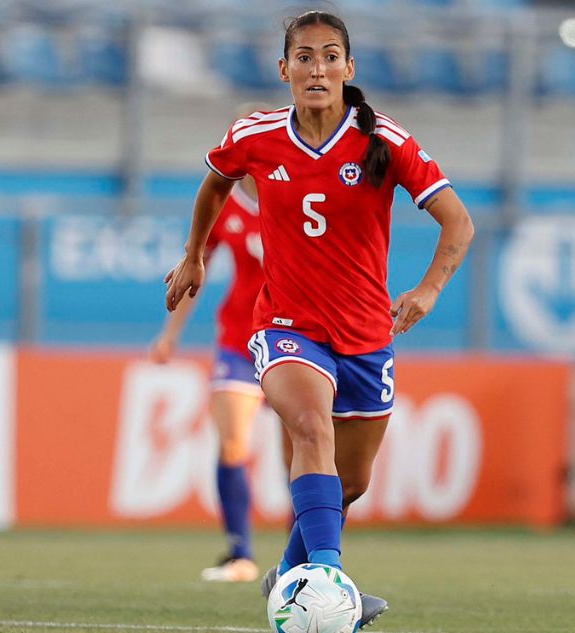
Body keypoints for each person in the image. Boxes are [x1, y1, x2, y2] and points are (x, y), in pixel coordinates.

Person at [164, 10, 475, 628]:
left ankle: (291, 575)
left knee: (349, 484)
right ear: (285, 70)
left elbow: (458, 222)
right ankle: (331, 585)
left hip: (367, 335)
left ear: (348, 68)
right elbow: (215, 184)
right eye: (304, 56)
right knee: (310, 430)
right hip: (285, 325)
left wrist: (429, 289)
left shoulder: (384, 140)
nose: (317, 68)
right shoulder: (255, 134)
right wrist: (194, 254)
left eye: (330, 56)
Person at [149, 134, 266, 582]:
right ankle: (241, 555)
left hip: (296, 336)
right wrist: (169, 335)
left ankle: (306, 559)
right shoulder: (224, 203)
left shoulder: (296, 193)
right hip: (239, 339)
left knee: (303, 450)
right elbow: (192, 271)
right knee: (234, 442)